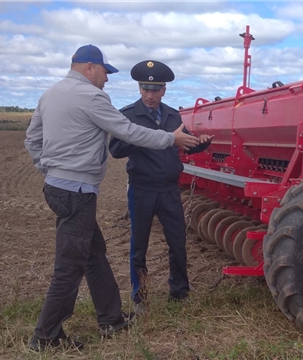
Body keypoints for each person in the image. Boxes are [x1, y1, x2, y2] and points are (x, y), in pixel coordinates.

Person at [24, 46, 200, 352]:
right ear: (90, 67)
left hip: (60, 187)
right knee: (70, 265)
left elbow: (32, 140)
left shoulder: (50, 93)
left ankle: (111, 318)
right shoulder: (91, 97)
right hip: (76, 190)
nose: (106, 79)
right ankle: (46, 336)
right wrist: (170, 138)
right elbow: (127, 131)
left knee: (94, 253)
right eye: (105, 72)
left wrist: (50, 170)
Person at [109, 60, 213, 315]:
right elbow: (115, 150)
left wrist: (201, 143)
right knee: (139, 246)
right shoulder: (128, 116)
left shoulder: (172, 115)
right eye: (145, 88)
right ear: (139, 89)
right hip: (142, 189)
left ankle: (179, 291)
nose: (150, 95)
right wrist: (143, 138)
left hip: (169, 190)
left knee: (177, 242)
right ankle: (139, 296)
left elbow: (184, 142)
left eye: (155, 89)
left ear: (164, 90)